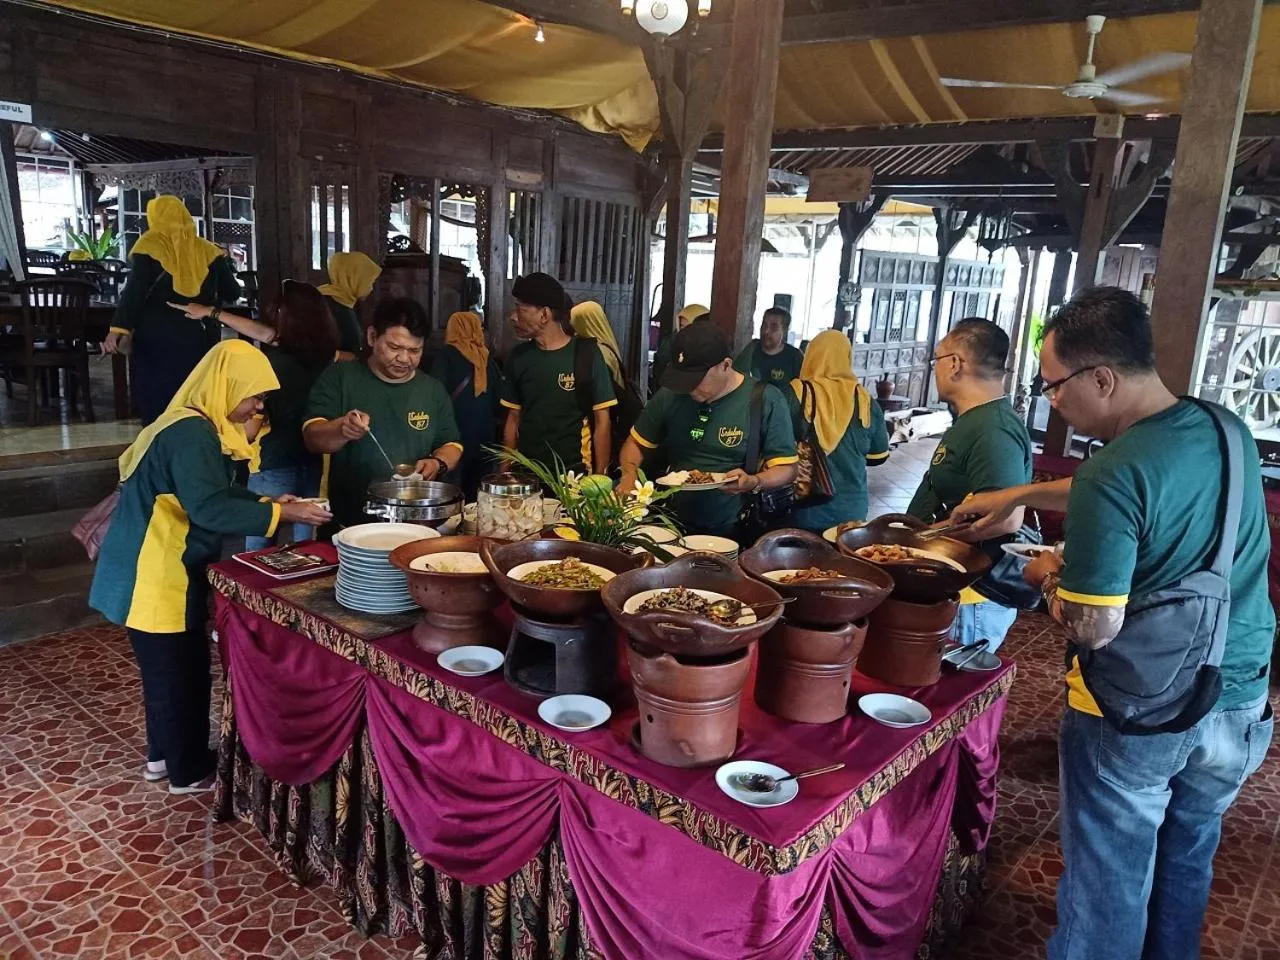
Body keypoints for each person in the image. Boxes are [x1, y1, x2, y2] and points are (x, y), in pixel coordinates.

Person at [952, 287, 1274, 960]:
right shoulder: (1223, 427)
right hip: (1240, 698)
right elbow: (1134, 484)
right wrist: (1018, 493)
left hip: (1141, 711)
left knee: (1108, 883)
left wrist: (1045, 577)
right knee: (1186, 859)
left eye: (1054, 386)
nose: (1051, 402)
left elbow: (1094, 627)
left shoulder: (1115, 471)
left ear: (1101, 377)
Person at [88, 341, 331, 793]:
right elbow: (208, 509)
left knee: (167, 674)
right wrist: (283, 516)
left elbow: (209, 494)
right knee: (180, 676)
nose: (258, 407)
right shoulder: (192, 435)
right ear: (226, 385)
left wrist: (266, 502)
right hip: (155, 574)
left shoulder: (191, 424)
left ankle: (164, 757)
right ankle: (188, 771)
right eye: (255, 396)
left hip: (154, 569)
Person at [172, 281, 342, 549]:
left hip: (272, 462)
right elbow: (266, 334)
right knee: (307, 540)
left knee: (259, 534)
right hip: (314, 461)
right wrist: (210, 312)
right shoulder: (328, 358)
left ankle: (254, 585)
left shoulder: (267, 368)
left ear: (285, 317)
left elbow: (250, 430)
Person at [905, 318, 1031, 653]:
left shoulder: (993, 429)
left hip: (971, 598)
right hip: (956, 587)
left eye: (937, 360)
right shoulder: (975, 419)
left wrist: (928, 537)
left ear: (956, 364)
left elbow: (1006, 518)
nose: (935, 369)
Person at [620, 320, 798, 538]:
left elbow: (787, 468)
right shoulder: (672, 394)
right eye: (683, 378)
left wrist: (755, 481)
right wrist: (629, 474)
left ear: (725, 365)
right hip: (670, 524)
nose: (689, 388)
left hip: (734, 527)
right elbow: (636, 443)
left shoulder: (766, 399)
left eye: (696, 379)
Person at [304, 297, 462, 529]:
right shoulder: (340, 378)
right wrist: (342, 429)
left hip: (414, 523)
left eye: (414, 350)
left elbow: (452, 444)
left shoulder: (432, 390)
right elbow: (312, 438)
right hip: (348, 521)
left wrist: (438, 463)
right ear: (372, 337)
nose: (404, 359)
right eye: (395, 347)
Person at [103, 196, 241, 424]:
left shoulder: (148, 247)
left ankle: (158, 446)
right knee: (196, 397)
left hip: (155, 339)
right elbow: (232, 293)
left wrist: (117, 328)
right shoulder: (210, 252)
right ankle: (193, 444)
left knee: (158, 401)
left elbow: (134, 293)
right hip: (201, 336)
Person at [501, 273, 616, 474]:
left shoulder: (587, 354)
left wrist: (600, 478)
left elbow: (602, 420)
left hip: (575, 475)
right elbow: (513, 419)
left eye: (521, 309)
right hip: (528, 475)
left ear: (544, 315)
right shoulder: (518, 358)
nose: (513, 316)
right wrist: (505, 472)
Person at [784, 330, 890, 533]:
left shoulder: (795, 394)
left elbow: (775, 446)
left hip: (803, 510)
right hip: (852, 514)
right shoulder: (865, 400)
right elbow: (878, 456)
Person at [431, 311, 502, 499]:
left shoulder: (446, 355)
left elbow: (435, 393)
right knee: (479, 489)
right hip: (485, 434)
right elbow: (498, 399)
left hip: (455, 433)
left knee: (452, 490)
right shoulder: (486, 358)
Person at [318, 251, 382, 355]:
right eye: (369, 282)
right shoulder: (331, 307)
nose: (371, 288)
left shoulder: (342, 300)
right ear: (353, 279)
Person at [734, 306, 805, 386]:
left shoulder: (795, 357)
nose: (766, 331)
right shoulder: (751, 351)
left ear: (784, 330)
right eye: (764, 325)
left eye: (773, 327)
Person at [652, 302, 708, 387]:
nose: (685, 331)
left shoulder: (712, 346)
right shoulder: (673, 342)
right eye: (682, 326)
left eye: (690, 326)